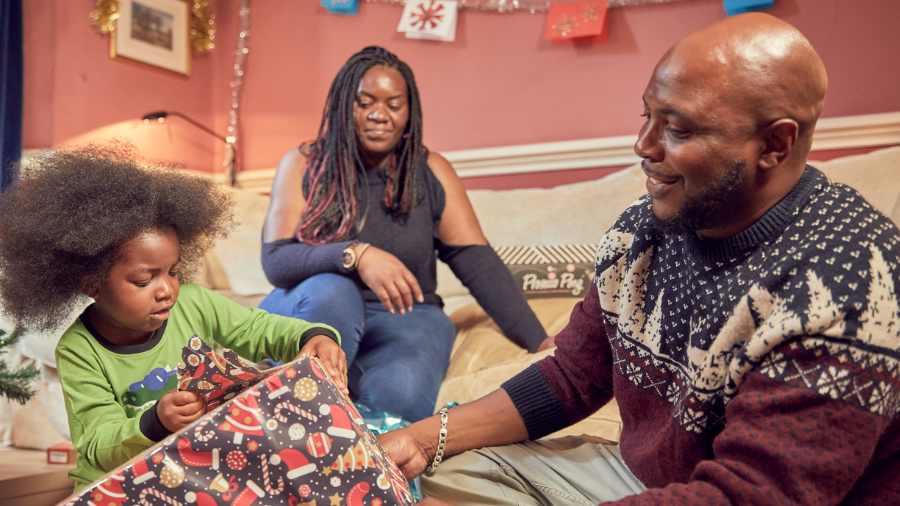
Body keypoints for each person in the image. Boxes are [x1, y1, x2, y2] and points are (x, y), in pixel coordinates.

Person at [379, 12, 900, 505]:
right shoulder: (643, 230)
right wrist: (424, 439)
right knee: (442, 468)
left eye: (677, 129)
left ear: (775, 143)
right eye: (646, 116)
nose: (642, 145)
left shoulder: (849, 281)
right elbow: (573, 375)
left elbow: (750, 495)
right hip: (650, 480)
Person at [0, 143, 348, 492]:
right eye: (143, 280)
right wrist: (154, 422)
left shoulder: (194, 303)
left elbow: (259, 329)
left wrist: (313, 336)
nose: (166, 289)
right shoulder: (79, 349)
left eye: (174, 272)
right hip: (118, 485)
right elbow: (99, 445)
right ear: (92, 283)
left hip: (194, 475)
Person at [259, 46, 551, 422]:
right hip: (316, 308)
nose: (379, 115)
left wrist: (539, 340)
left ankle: (353, 454)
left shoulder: (431, 170)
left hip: (405, 314)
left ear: (409, 113)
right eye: (364, 103)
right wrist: (355, 255)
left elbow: (474, 259)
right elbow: (276, 261)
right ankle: (297, 424)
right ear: (341, 107)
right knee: (335, 290)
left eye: (394, 105)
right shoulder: (303, 164)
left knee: (400, 397)